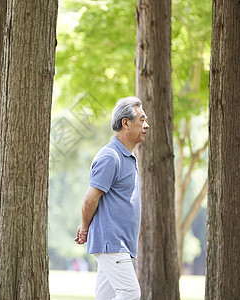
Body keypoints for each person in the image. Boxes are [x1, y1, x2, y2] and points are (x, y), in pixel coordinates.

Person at [74, 96, 149, 300]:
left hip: (119, 243)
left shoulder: (127, 157)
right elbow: (90, 200)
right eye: (141, 120)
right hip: (112, 243)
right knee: (130, 292)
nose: (146, 125)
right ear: (126, 123)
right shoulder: (110, 157)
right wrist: (85, 228)